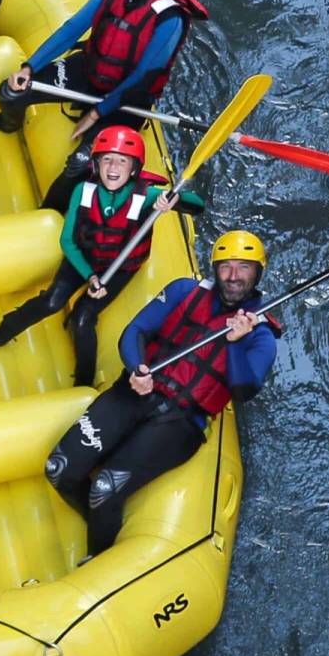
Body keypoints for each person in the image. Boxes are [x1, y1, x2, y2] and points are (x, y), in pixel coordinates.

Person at [43, 230, 281, 555]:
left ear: (258, 273)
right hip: (138, 390)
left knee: (104, 487)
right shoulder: (184, 291)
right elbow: (136, 331)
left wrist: (235, 344)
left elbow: (243, 390)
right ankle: (98, 518)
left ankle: (98, 557)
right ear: (215, 268)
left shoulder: (260, 335)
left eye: (244, 267)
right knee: (57, 469)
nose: (234, 276)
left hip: (182, 422)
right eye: (226, 266)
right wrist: (137, 368)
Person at [0, 0, 209, 212]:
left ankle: (49, 217)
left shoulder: (170, 17)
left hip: (126, 100)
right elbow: (73, 29)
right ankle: (10, 123)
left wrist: (97, 112)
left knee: (80, 165)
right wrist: (30, 67)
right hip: (89, 71)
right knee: (10, 93)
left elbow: (144, 77)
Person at [0, 125, 204, 385]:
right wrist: (90, 276)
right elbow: (67, 241)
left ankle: (84, 382)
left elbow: (198, 206)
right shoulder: (84, 191)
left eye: (122, 161)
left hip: (119, 267)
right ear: (96, 164)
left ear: (133, 169)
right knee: (52, 301)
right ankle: (0, 333)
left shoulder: (147, 197)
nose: (113, 168)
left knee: (83, 318)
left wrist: (173, 199)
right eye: (106, 159)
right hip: (84, 259)